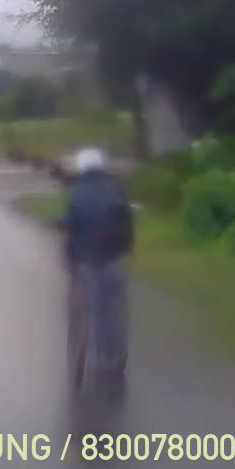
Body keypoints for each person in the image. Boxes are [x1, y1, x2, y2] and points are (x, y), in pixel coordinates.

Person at [62, 147, 134, 389]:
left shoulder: (77, 193)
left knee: (92, 309)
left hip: (89, 261)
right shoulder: (116, 188)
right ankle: (116, 353)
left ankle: (94, 356)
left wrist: (70, 261)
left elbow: (72, 229)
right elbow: (128, 223)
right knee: (114, 308)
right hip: (114, 260)